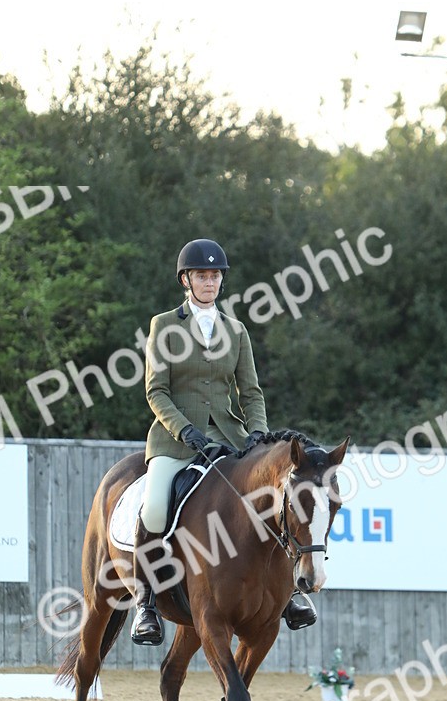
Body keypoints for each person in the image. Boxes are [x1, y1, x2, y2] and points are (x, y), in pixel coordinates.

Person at [130, 238, 317, 645]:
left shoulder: (236, 330)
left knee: (268, 503)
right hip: (175, 440)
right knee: (156, 506)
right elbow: (155, 391)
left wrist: (257, 435)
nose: (209, 281)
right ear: (187, 280)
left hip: (230, 438)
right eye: (202, 275)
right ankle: (145, 603)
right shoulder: (164, 326)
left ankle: (286, 599)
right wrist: (186, 430)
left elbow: (250, 392)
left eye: (215, 275)